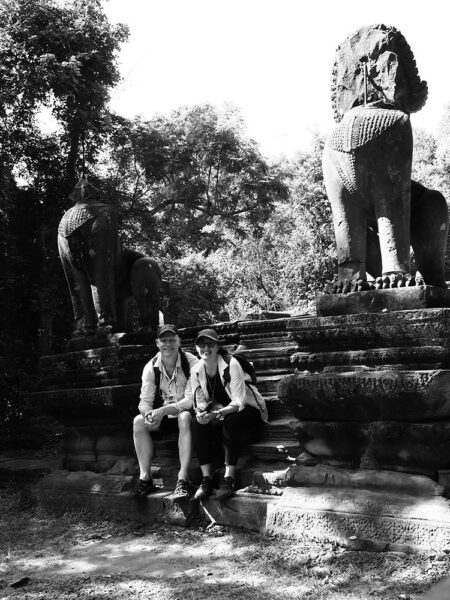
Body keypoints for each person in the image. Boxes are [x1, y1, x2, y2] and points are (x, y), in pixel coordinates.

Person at [188, 328, 268, 501]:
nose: (206, 348)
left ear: (217, 346)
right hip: (220, 411)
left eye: (210, 344)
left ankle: (229, 476)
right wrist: (202, 413)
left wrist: (217, 413)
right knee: (196, 422)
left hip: (248, 410)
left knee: (231, 419)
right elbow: (199, 400)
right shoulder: (196, 370)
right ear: (196, 348)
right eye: (202, 344)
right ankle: (206, 478)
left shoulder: (231, 363)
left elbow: (239, 402)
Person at [133, 324, 198, 500]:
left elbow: (190, 400)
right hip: (164, 416)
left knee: (184, 417)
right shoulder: (151, 367)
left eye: (172, 340)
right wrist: (148, 415)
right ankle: (145, 478)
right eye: (164, 340)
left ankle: (183, 478)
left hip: (188, 415)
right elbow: (145, 401)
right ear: (157, 343)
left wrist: (162, 411)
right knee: (138, 421)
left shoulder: (192, 362)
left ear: (179, 341)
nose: (168, 344)